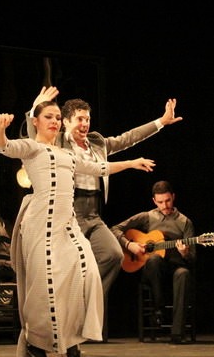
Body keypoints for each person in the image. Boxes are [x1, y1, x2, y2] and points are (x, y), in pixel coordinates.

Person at [0, 100, 156, 357]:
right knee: (43, 287)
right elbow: (3, 146)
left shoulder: (68, 155)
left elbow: (99, 167)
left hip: (67, 224)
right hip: (40, 224)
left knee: (88, 272)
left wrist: (131, 163)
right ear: (36, 121)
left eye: (57, 117)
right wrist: (1, 127)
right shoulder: (32, 148)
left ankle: (71, 335)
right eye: (49, 116)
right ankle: (40, 344)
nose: (55, 121)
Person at [25, 86, 182, 340]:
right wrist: (35, 108)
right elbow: (33, 133)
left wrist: (161, 122)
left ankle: (83, 306)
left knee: (112, 254)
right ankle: (59, 318)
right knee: (64, 268)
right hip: (68, 214)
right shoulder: (56, 140)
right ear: (65, 122)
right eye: (79, 119)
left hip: (94, 214)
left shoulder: (97, 143)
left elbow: (127, 138)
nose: (85, 124)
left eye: (87, 119)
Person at [110, 180, 196, 345]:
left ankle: (177, 334)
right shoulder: (148, 217)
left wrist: (185, 253)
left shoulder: (185, 222)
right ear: (154, 201)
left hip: (176, 266)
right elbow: (115, 229)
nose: (165, 205)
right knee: (155, 258)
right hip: (154, 269)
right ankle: (159, 308)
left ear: (173, 197)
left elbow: (192, 258)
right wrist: (130, 245)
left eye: (168, 200)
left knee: (184, 273)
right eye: (160, 202)